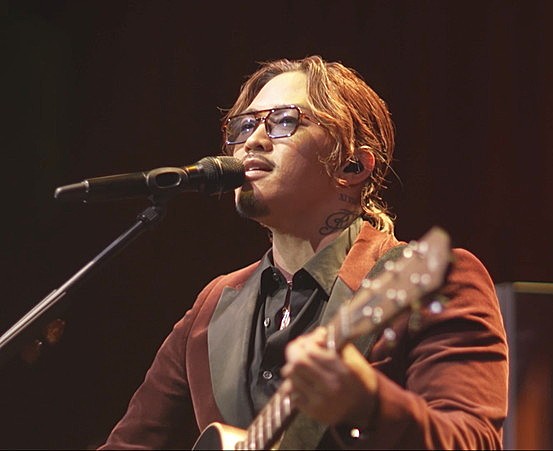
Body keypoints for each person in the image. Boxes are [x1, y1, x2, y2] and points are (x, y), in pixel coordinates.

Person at [100, 55, 508, 450]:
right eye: (244, 126)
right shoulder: (211, 308)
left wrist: (369, 406)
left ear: (352, 166)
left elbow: (473, 441)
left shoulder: (440, 278)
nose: (253, 141)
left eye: (283, 121)